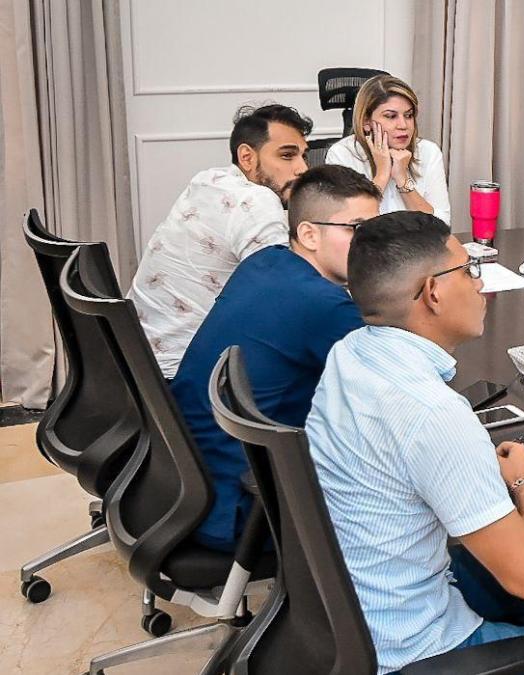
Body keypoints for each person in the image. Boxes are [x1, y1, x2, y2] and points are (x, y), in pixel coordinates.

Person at [306, 213, 524, 674]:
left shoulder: (348, 352)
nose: (480, 285)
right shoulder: (433, 412)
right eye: (469, 270)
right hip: (407, 647)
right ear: (433, 292)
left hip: (346, 610)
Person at [169, 165, 380, 552]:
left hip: (186, 482)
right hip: (245, 507)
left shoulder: (265, 261)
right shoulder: (324, 304)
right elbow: (397, 385)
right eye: (357, 230)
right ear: (309, 233)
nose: (372, 246)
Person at [129, 103, 312, 378]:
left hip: (141, 364)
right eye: (287, 156)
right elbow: (283, 295)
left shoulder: (208, 180)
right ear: (247, 157)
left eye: (303, 156)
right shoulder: (256, 200)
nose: (302, 169)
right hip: (188, 375)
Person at [325, 74, 451, 225]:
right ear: (366, 122)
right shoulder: (342, 154)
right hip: (366, 248)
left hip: (416, 247)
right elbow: (347, 226)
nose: (403, 125)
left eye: (409, 115)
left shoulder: (428, 152)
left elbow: (442, 226)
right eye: (391, 116)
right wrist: (382, 175)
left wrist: (402, 179)